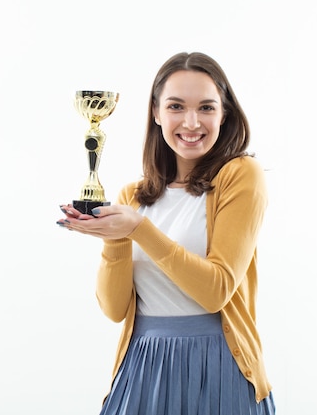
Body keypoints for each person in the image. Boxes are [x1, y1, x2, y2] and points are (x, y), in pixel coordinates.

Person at [57, 51, 276, 415]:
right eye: (176, 106)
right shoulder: (134, 196)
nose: (191, 122)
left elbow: (216, 291)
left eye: (206, 108)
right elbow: (114, 310)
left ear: (225, 114)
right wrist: (115, 238)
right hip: (144, 366)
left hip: (220, 365)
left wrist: (139, 229)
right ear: (156, 113)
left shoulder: (240, 176)